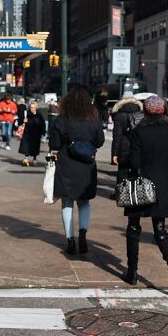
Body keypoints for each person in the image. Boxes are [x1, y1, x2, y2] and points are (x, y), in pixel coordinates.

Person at [122, 96, 168, 295]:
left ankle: (132, 273)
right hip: (162, 185)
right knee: (161, 230)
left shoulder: (139, 132)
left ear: (146, 112)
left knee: (133, 227)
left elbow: (134, 161)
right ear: (163, 110)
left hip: (141, 185)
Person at [49, 85, 105, 255]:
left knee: (67, 201)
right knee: (84, 201)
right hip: (86, 164)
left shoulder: (63, 118)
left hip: (66, 163)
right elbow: (100, 141)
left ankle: (69, 239)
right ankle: (83, 233)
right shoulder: (94, 118)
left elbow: (55, 144)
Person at [111, 95, 144, 187]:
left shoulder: (119, 115)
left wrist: (114, 154)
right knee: (136, 170)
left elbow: (117, 136)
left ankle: (121, 193)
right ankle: (134, 194)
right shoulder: (141, 115)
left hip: (123, 146)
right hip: (138, 146)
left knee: (122, 170)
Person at [18, 101, 46, 166]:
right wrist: (23, 121)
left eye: (33, 107)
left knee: (35, 147)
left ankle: (34, 160)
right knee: (26, 146)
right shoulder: (27, 114)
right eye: (31, 107)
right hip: (27, 133)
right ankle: (26, 158)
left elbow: (42, 124)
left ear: (36, 108)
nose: (32, 109)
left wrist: (43, 132)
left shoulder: (39, 115)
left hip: (36, 134)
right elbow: (20, 121)